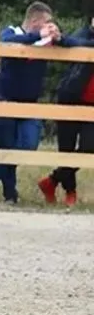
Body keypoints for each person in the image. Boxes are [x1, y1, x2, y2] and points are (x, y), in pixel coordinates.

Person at [0, 2, 78, 203]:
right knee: (7, 147)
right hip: (6, 100)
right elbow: (6, 41)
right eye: (47, 22)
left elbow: (73, 44)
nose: (49, 25)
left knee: (28, 145)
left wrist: (58, 36)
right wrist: (38, 36)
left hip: (30, 103)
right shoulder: (12, 31)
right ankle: (10, 194)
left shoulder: (46, 41)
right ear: (35, 21)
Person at [42, 15, 94, 207]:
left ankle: (52, 181)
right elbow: (77, 42)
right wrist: (61, 39)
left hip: (92, 105)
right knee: (66, 148)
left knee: (89, 147)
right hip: (71, 97)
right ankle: (70, 192)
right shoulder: (84, 34)